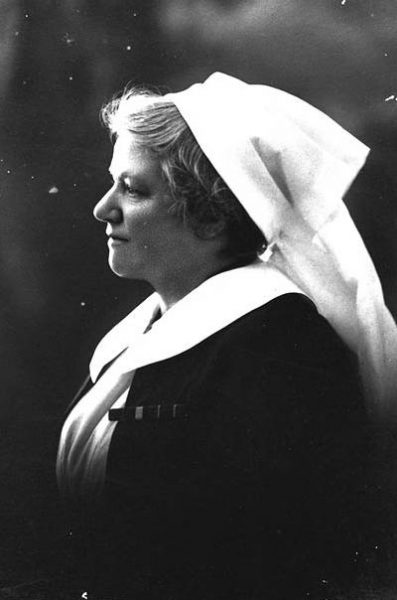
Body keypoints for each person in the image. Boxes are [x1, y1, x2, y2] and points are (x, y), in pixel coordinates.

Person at [56, 73, 397, 600]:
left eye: (134, 188)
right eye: (113, 181)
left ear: (212, 215)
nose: (104, 207)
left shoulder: (280, 352)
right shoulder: (133, 337)